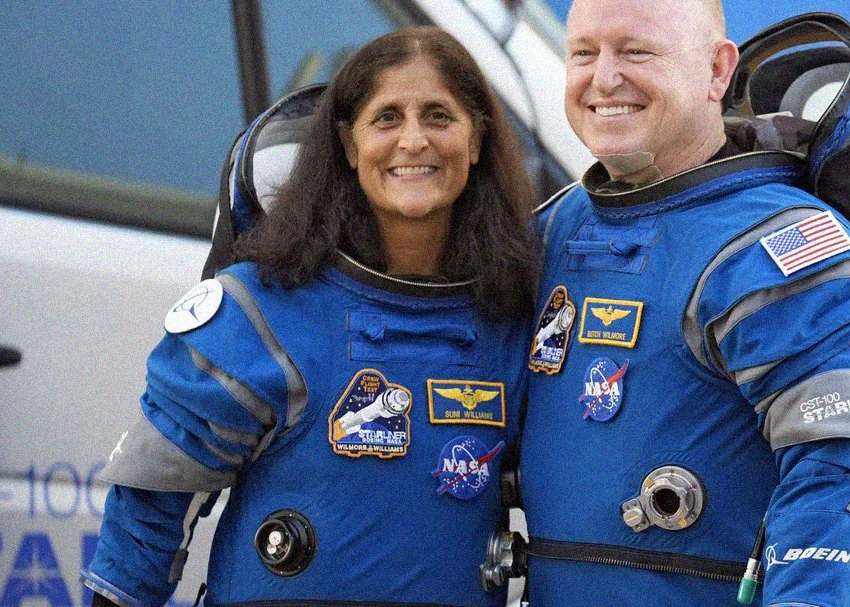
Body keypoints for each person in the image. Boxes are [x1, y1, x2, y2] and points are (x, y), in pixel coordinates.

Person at [82, 26, 537, 607]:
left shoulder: (510, 318)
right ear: (349, 145)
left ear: (476, 140)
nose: (414, 140)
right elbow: (150, 510)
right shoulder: (261, 311)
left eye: (439, 117)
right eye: (387, 118)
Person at [516, 1, 850, 606]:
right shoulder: (562, 225)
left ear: (719, 70)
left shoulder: (779, 246)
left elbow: (844, 473)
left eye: (636, 51)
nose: (604, 76)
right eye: (584, 53)